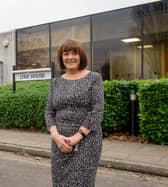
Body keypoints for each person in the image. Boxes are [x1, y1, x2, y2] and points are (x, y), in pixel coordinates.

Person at [45, 39, 104, 187]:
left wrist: (77, 137)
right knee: (60, 182)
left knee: (81, 182)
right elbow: (49, 112)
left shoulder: (94, 78)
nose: (70, 57)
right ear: (61, 57)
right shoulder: (55, 82)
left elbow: (97, 111)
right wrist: (56, 136)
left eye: (74, 53)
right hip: (59, 143)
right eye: (66, 54)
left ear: (81, 56)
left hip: (86, 142)